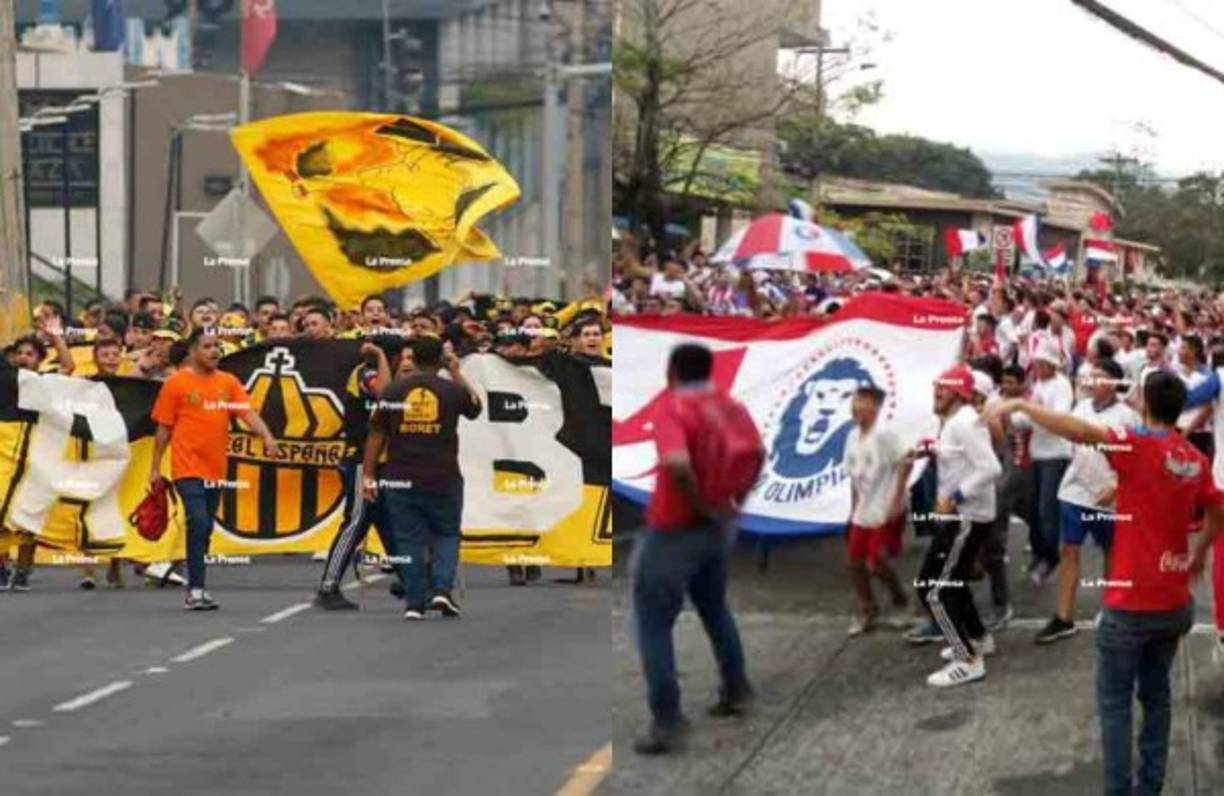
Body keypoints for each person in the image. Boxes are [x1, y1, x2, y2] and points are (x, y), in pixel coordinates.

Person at [985, 371, 1224, 796]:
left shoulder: (1137, 445)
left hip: (1131, 605)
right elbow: (1217, 510)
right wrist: (1200, 553)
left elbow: (1079, 430)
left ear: (1145, 405)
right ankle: (1149, 787)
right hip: (1174, 603)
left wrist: (1021, 405)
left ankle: (1119, 791)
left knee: (1115, 703)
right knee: (1157, 696)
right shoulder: (1194, 459)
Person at [631, 343, 760, 755]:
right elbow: (758, 452)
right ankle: (736, 688)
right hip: (718, 527)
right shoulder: (730, 405)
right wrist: (733, 500)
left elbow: (676, 462)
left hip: (674, 527)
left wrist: (699, 503)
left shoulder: (673, 407)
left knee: (651, 624)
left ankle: (667, 722)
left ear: (672, 371)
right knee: (715, 608)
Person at [148, 328, 281, 610]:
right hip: (186, 467)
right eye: (207, 346)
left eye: (217, 346)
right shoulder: (176, 384)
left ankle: (199, 586)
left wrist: (267, 436)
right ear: (193, 351)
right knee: (197, 520)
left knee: (205, 526)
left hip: (216, 469)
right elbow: (164, 428)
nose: (214, 352)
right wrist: (155, 467)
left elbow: (247, 413)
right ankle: (195, 591)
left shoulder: (228, 382)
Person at [362, 336, 482, 620]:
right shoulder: (452, 391)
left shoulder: (393, 391)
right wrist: (455, 371)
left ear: (412, 358)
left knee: (408, 539)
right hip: (443, 476)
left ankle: (414, 603)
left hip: (400, 476)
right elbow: (476, 408)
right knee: (447, 533)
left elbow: (376, 433)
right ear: (441, 358)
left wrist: (368, 474)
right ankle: (441, 589)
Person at [905, 364, 1002, 687]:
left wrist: (955, 497)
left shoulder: (965, 423)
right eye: (936, 386)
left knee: (934, 589)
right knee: (952, 582)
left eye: (943, 388)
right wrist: (932, 450)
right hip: (962, 517)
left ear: (959, 393)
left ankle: (968, 660)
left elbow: (990, 467)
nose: (936, 391)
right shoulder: (954, 423)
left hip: (966, 516)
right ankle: (977, 637)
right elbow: (963, 458)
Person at [1035, 360, 1138, 644]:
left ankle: (1111, 608)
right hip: (1074, 491)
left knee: (1111, 551)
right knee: (1070, 550)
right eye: (1092, 377)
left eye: (1101, 377)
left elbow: (1136, 461)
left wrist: (1116, 485)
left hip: (1106, 494)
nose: (1093, 382)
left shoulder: (1128, 417)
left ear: (1116, 384)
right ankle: (1063, 617)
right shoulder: (1079, 409)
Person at [313, 338, 397, 610]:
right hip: (361, 461)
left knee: (389, 525)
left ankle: (412, 581)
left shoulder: (385, 372)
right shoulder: (366, 373)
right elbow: (383, 393)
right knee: (355, 522)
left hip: (382, 463)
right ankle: (328, 587)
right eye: (399, 356)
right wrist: (382, 355)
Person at [843, 385, 911, 635]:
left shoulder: (885, 434)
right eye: (854, 401)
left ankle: (901, 600)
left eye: (862, 401)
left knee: (876, 563)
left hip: (885, 507)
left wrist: (897, 497)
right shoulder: (851, 436)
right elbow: (853, 475)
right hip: (864, 508)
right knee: (853, 562)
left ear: (876, 406)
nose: (856, 406)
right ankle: (867, 607)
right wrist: (852, 509)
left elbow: (907, 459)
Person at [1014, 340, 1074, 585]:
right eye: (1035, 363)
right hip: (1037, 453)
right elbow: (1029, 416)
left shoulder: (1061, 386)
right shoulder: (1038, 384)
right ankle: (1040, 553)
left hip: (1055, 455)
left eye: (1040, 363)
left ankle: (1050, 557)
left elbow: (1057, 417)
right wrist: (1015, 418)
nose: (1035, 367)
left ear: (1051, 364)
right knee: (1033, 508)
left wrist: (1029, 415)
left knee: (1046, 509)